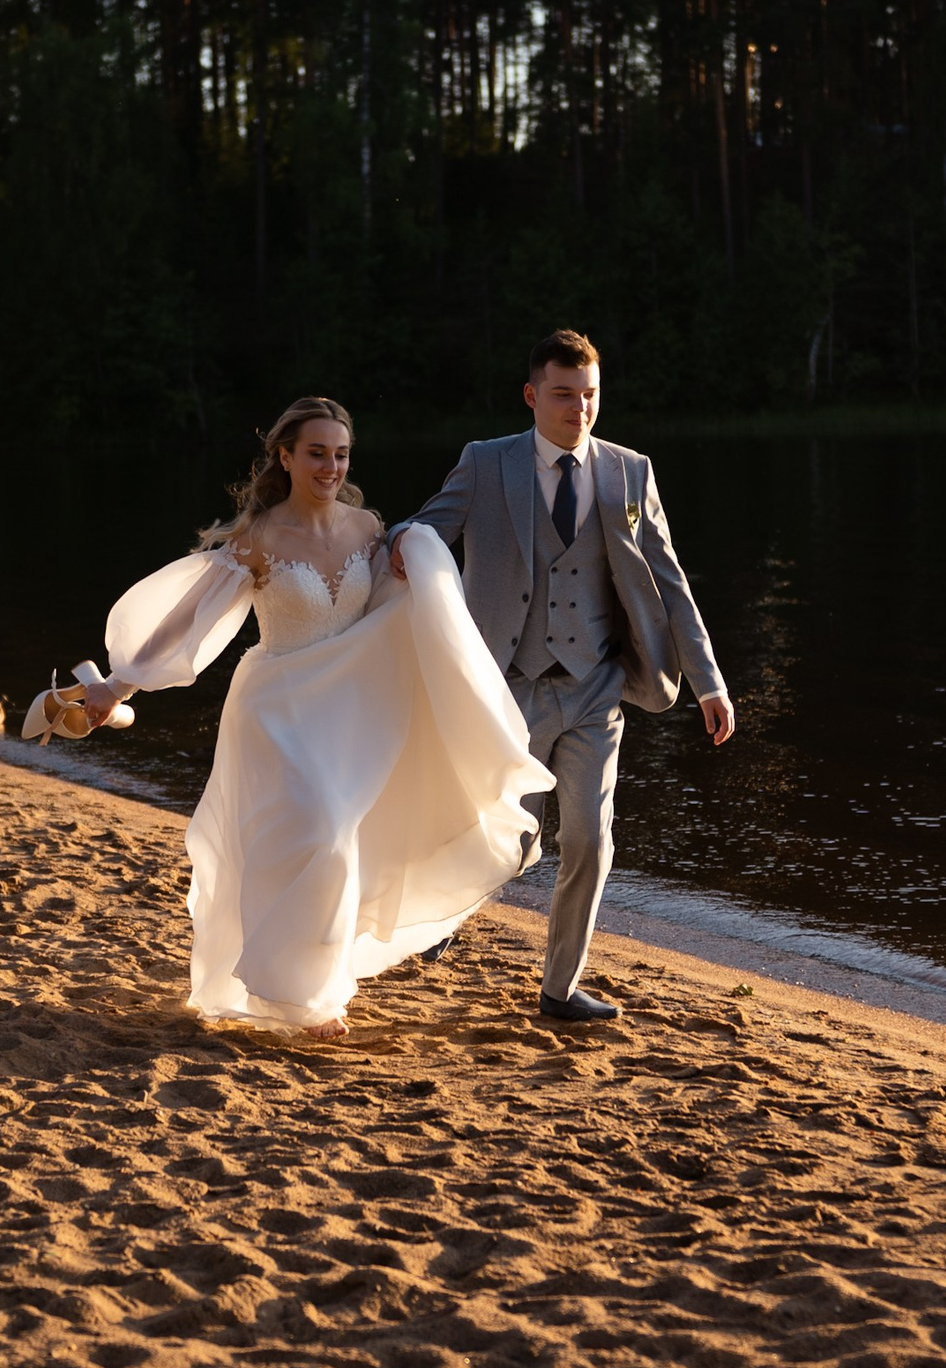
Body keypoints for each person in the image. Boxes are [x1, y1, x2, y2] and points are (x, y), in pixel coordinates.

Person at [71, 398, 554, 1038]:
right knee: (313, 836)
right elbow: (189, 621)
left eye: (341, 454)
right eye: (317, 453)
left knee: (341, 842)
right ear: (286, 457)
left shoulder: (369, 529)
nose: (331, 466)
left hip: (352, 711)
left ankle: (315, 988)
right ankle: (301, 998)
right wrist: (118, 683)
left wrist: (417, 547)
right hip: (277, 711)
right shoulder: (259, 537)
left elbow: (396, 604)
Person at [393, 330, 733, 1023]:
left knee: (590, 839)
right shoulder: (487, 464)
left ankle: (559, 987)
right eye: (564, 395)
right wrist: (394, 541)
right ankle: (447, 909)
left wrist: (709, 681)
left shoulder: (629, 473)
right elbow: (429, 529)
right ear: (531, 395)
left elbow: (670, 582)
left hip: (597, 687)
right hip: (506, 684)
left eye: (590, 396)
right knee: (515, 843)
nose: (579, 409)